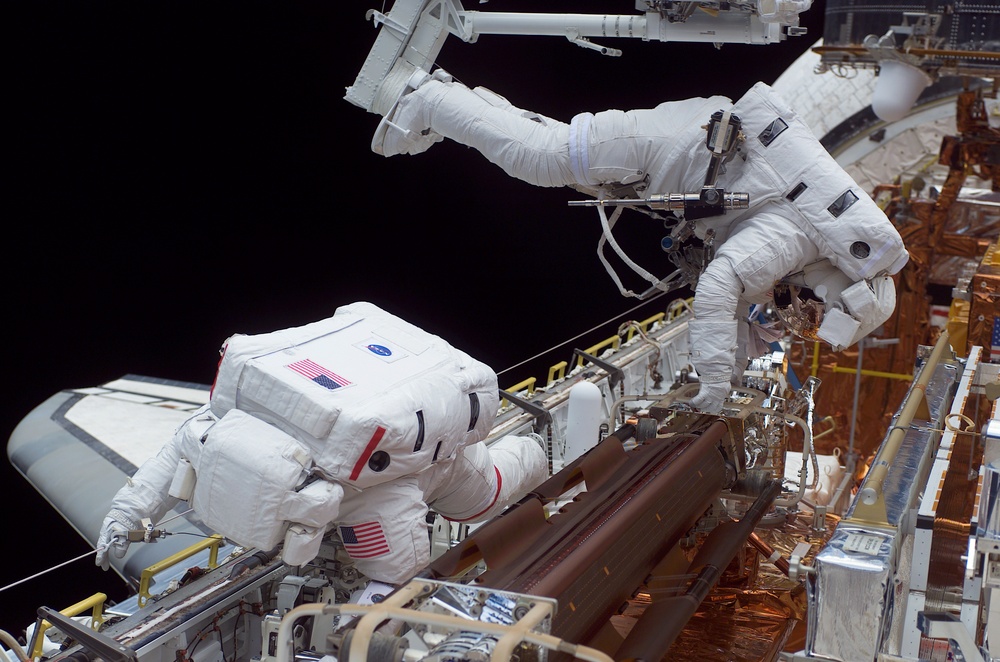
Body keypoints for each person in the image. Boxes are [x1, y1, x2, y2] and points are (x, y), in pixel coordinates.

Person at [365, 64, 909, 413]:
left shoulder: (802, 260)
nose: (796, 322)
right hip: (670, 147)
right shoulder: (794, 240)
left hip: (677, 159)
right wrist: (716, 386)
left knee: (560, 155)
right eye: (809, 314)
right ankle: (428, 99)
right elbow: (722, 283)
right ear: (833, 284)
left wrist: (741, 359)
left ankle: (462, 103)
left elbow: (745, 305)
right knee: (542, 158)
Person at [96, 302, 548, 585]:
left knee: (484, 497)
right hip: (382, 439)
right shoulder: (216, 431)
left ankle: (536, 453)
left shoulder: (365, 499)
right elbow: (175, 455)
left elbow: (398, 572)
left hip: (439, 463)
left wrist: (378, 605)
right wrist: (125, 516)